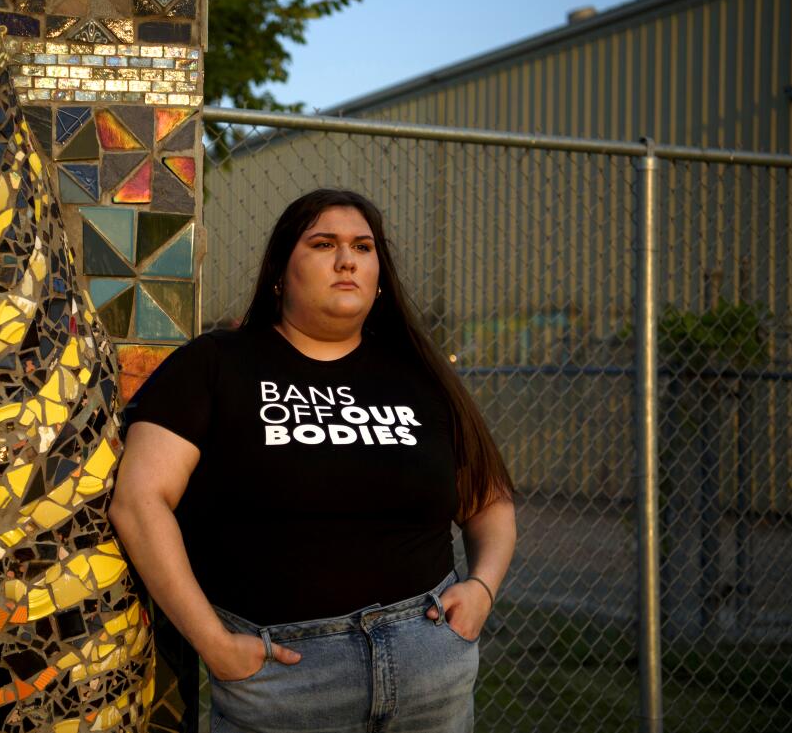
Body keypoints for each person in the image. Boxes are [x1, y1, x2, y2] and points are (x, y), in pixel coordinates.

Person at [109, 189, 516, 733]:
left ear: (378, 273)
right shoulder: (215, 365)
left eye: (363, 247)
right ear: (280, 271)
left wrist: (483, 588)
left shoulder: (420, 376)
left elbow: (488, 502)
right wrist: (214, 643)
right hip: (285, 682)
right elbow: (139, 503)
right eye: (324, 243)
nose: (347, 259)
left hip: (428, 667)